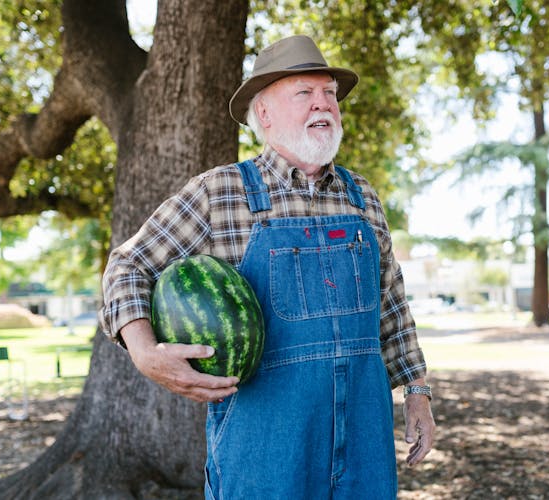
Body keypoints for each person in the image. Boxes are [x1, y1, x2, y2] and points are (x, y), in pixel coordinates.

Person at [100, 34, 435, 499]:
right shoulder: (221, 193)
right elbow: (127, 266)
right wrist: (144, 352)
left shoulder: (363, 199)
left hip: (365, 441)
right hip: (265, 451)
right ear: (264, 113)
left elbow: (392, 305)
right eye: (305, 93)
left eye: (330, 94)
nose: (323, 104)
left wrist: (417, 393)